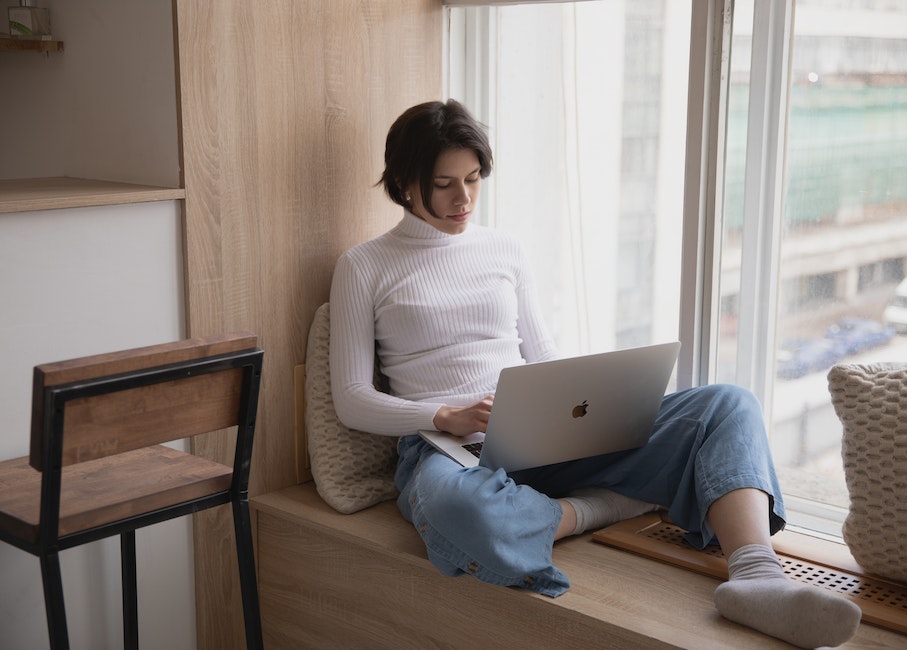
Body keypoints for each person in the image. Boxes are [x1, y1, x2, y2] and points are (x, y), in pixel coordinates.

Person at [329, 99, 862, 648]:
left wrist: (578, 405)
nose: (463, 198)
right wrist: (445, 415)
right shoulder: (364, 266)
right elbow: (350, 397)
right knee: (457, 510)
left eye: (473, 179)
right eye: (443, 184)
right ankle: (602, 505)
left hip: (534, 433)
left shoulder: (504, 249)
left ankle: (757, 578)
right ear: (404, 182)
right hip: (444, 451)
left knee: (728, 404)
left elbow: (543, 352)